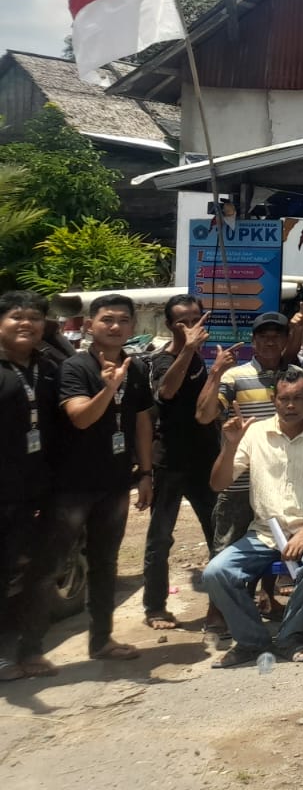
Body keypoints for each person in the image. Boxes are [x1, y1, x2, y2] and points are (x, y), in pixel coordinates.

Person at [201, 366, 303, 666]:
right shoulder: (254, 432)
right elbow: (217, 483)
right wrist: (229, 445)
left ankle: (289, 636)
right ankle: (251, 640)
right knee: (215, 572)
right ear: (273, 399)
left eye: (298, 398)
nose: (291, 405)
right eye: (284, 398)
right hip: (265, 532)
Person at [53, 293, 154, 662]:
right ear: (90, 324)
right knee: (50, 566)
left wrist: (145, 472)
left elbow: (143, 421)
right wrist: (109, 387)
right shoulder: (75, 368)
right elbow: (80, 417)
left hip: (115, 482)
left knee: (105, 563)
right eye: (107, 319)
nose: (115, 327)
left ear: (133, 326)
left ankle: (102, 641)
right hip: (73, 485)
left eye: (123, 320)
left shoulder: (136, 367)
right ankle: (28, 651)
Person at [141, 295, 221, 632]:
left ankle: (223, 602)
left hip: (205, 461)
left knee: (218, 534)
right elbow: (166, 392)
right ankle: (155, 607)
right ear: (170, 325)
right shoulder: (162, 360)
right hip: (170, 463)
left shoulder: (205, 359)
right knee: (160, 538)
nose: (192, 325)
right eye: (183, 321)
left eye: (196, 318)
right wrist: (187, 349)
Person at [196, 311, 303, 550]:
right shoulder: (234, 376)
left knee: (275, 550)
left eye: (276, 336)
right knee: (229, 554)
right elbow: (204, 416)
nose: (270, 342)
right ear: (253, 341)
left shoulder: (296, 377)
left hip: (281, 482)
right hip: (240, 481)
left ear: (286, 340)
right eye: (263, 336)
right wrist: (215, 372)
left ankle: (267, 590)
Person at [0, 291, 60, 679]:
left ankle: (31, 649)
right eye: (16, 317)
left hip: (42, 490)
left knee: (38, 573)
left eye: (35, 317)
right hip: (2, 492)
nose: (27, 323)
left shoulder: (50, 366)